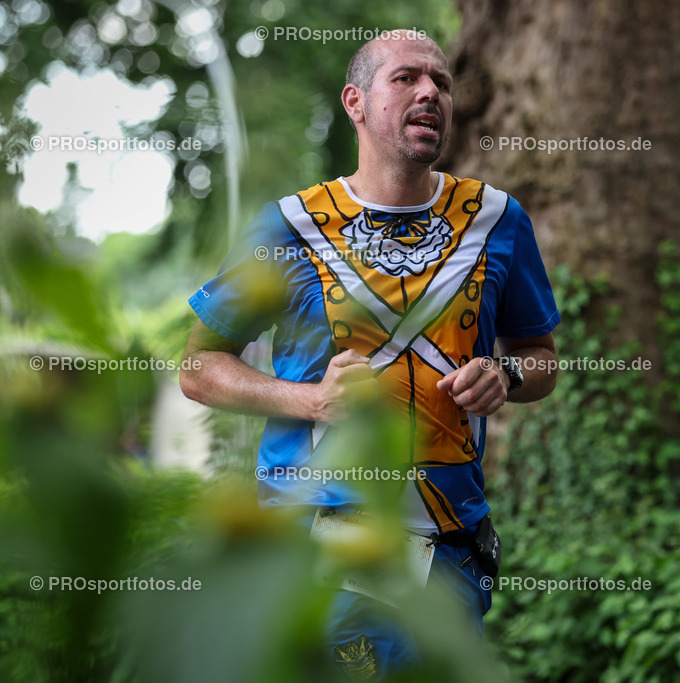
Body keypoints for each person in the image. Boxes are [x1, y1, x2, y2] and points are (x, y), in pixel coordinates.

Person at [180, 29, 560, 677]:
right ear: (356, 103)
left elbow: (541, 356)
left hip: (454, 551)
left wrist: (508, 372)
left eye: (441, 81)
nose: (430, 93)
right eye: (406, 78)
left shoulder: (498, 220)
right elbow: (198, 367)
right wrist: (309, 398)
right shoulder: (290, 227)